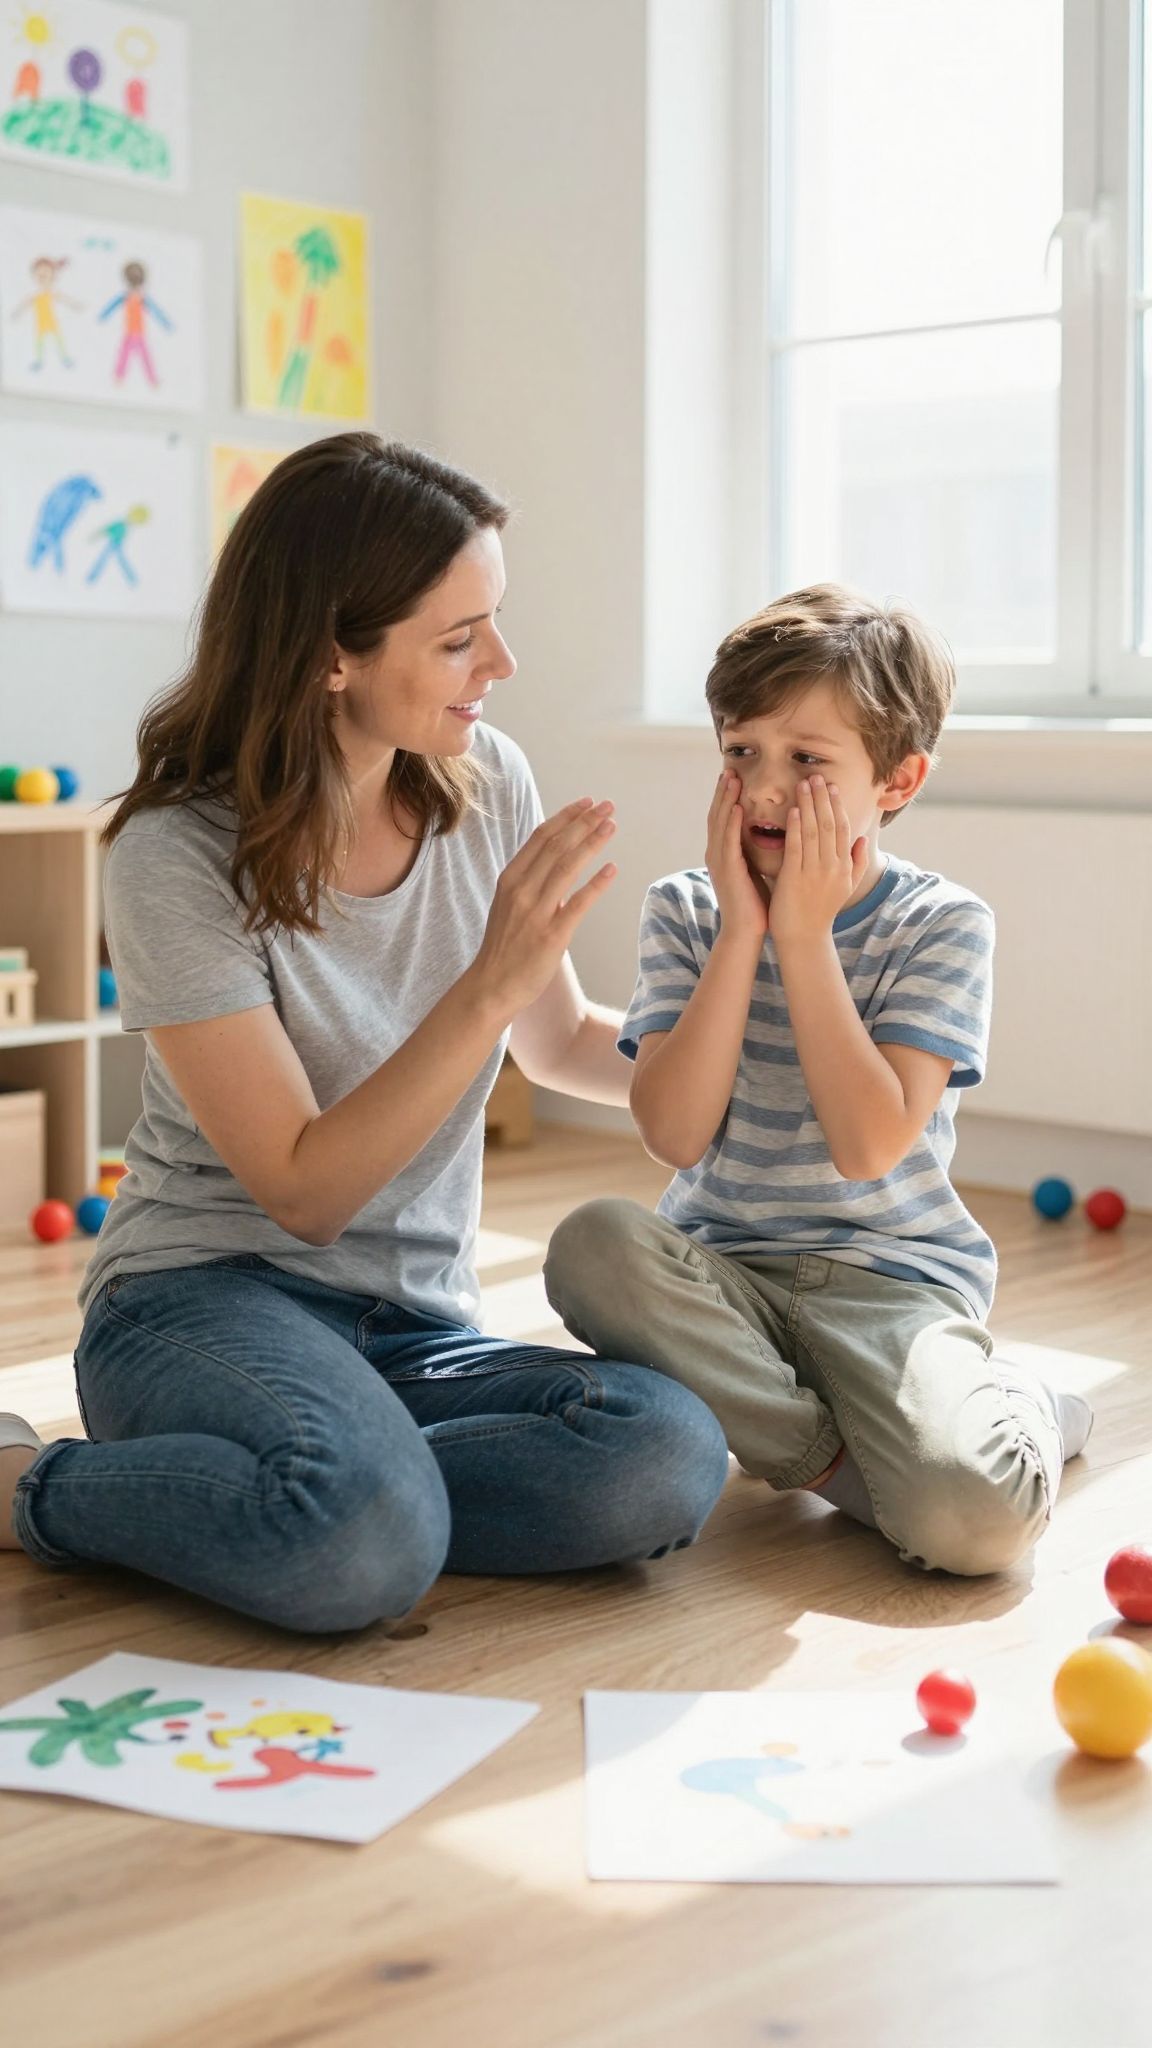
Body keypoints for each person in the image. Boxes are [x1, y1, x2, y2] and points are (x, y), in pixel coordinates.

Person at [0, 434, 728, 1631]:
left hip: (415, 1328)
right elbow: (302, 1190)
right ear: (332, 653)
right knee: (361, 1532)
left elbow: (557, 1042)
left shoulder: (484, 777)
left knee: (662, 1452)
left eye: (493, 619)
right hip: (201, 1300)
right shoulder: (173, 852)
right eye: (459, 637)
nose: (502, 660)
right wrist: (485, 985)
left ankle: (324, 1500)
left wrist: (746, 1047)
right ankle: (42, 1485)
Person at [545, 584, 1091, 1577]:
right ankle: (836, 1455)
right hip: (725, 1276)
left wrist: (800, 936)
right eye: (741, 750)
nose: (760, 788)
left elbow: (868, 1143)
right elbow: (672, 1133)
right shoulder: (685, 909)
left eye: (806, 761)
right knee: (595, 1244)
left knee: (980, 1527)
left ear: (897, 779)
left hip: (892, 1289)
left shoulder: (942, 923)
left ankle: (1028, 1415)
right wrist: (741, 930)